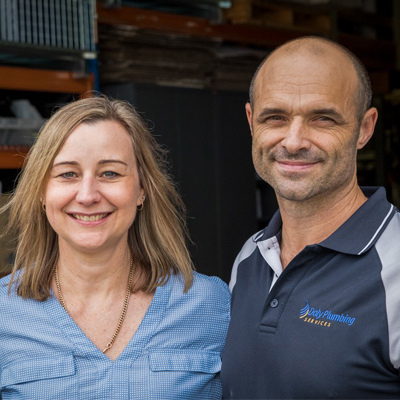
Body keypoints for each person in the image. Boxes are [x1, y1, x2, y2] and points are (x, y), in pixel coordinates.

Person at [0, 96, 230, 399]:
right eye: (67, 173)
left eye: (110, 173)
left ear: (141, 189)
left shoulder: (212, 305)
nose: (87, 195)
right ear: (43, 192)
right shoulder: (5, 313)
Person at [221, 36, 400, 399]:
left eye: (322, 118)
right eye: (276, 117)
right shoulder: (250, 258)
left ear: (365, 128)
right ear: (252, 122)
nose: (294, 140)